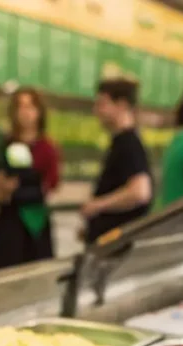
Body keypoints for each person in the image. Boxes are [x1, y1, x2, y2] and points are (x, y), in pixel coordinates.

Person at [0, 87, 61, 269]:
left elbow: (51, 184)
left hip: (35, 223)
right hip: (9, 222)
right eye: (20, 107)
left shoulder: (47, 148)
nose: (25, 113)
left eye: (30, 107)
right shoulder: (5, 145)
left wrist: (17, 187)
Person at [81, 79, 153, 245]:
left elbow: (140, 192)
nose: (96, 111)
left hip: (117, 248)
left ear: (121, 105)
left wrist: (97, 205)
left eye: (102, 104)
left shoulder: (128, 143)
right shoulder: (122, 142)